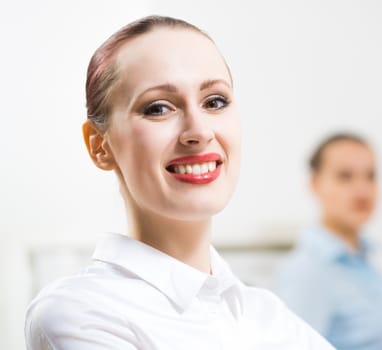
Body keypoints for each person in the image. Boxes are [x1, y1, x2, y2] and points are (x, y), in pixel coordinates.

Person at [24, 15, 334, 350]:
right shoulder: (81, 313)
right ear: (100, 145)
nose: (199, 132)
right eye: (158, 108)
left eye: (215, 101)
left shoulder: (267, 315)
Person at [276, 133, 382, 349]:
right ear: (315, 184)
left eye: (370, 176)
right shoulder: (308, 272)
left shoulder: (364, 263)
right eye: (345, 176)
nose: (362, 190)